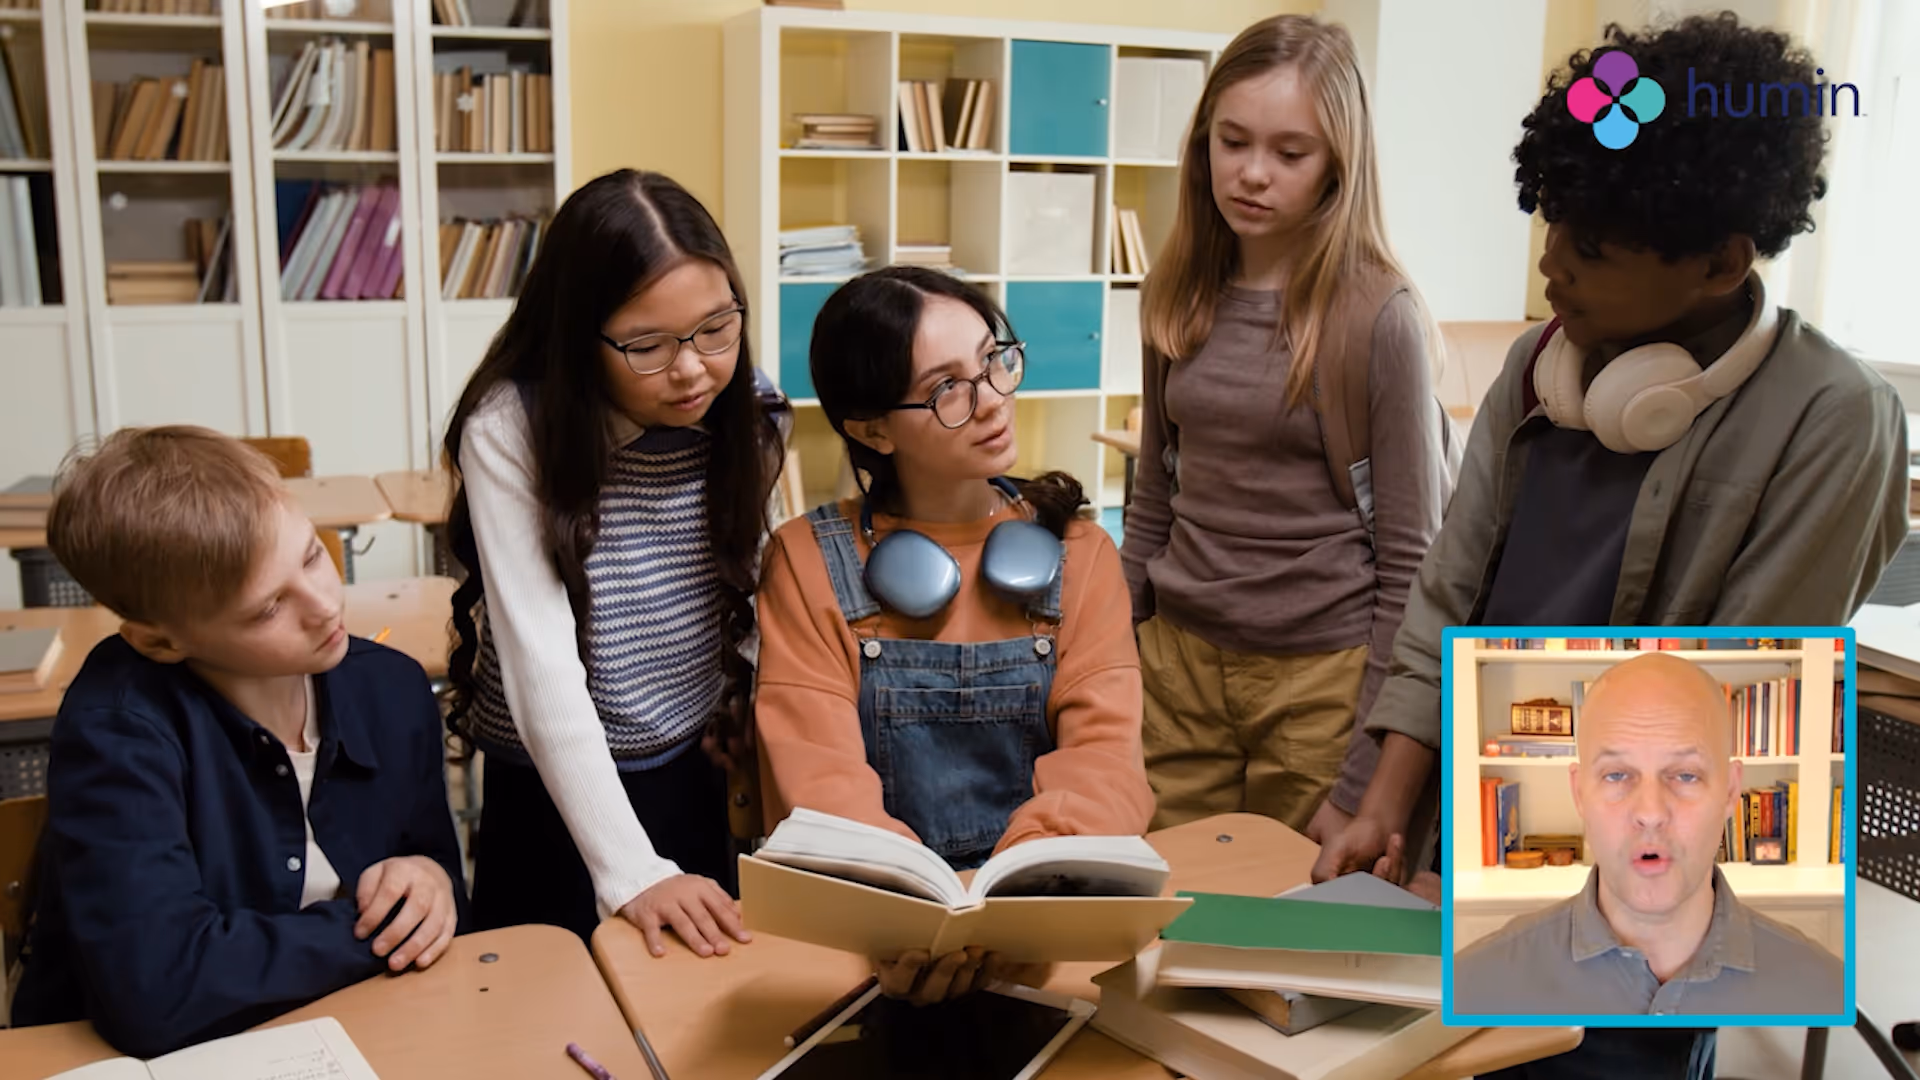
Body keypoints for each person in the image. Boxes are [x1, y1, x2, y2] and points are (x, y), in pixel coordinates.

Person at [1314, 13, 1905, 1078]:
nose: (1551, 268)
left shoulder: (1836, 419)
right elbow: (1447, 594)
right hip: (1472, 847)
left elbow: (1722, 700)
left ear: (1721, 261)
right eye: (1553, 229)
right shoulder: (1541, 367)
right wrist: (1384, 804)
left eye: (1589, 250)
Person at [754, 266, 1156, 1004]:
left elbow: (1104, 765)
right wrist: (909, 917)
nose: (993, 399)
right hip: (876, 936)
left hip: (1042, 929)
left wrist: (1012, 904)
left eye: (993, 360)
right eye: (946, 389)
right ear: (871, 429)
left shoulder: (1083, 554)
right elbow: (819, 785)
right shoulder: (805, 561)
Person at [13, 427, 467, 1057]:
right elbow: (159, 994)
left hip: (360, 1032)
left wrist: (433, 883)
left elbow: (440, 887)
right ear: (160, 641)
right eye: (268, 608)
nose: (324, 605)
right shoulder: (114, 732)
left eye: (312, 556)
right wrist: (376, 930)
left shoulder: (392, 687)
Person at [1119, 13, 1451, 837]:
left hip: (1320, 682)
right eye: (1232, 142)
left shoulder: (1379, 318)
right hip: (1177, 663)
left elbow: (1411, 564)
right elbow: (1153, 498)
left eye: (1290, 153)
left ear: (1338, 164)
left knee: (1291, 912)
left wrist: (1363, 781)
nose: (1253, 173)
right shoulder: (1176, 290)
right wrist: (1112, 659)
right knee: (1164, 894)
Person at [441, 169, 785, 954]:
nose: (692, 368)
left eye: (716, 328)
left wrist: (747, 707)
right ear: (577, 336)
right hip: (555, 784)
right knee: (550, 1001)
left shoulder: (751, 408)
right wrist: (630, 869)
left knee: (697, 986)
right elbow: (539, 658)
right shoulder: (511, 428)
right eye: (647, 346)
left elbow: (749, 571)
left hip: (693, 758)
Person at [1452, 653, 1844, 1016]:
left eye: (1685, 775)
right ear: (1579, 794)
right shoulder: (1473, 987)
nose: (1651, 813)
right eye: (1616, 775)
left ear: (1729, 792)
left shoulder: (1826, 990)